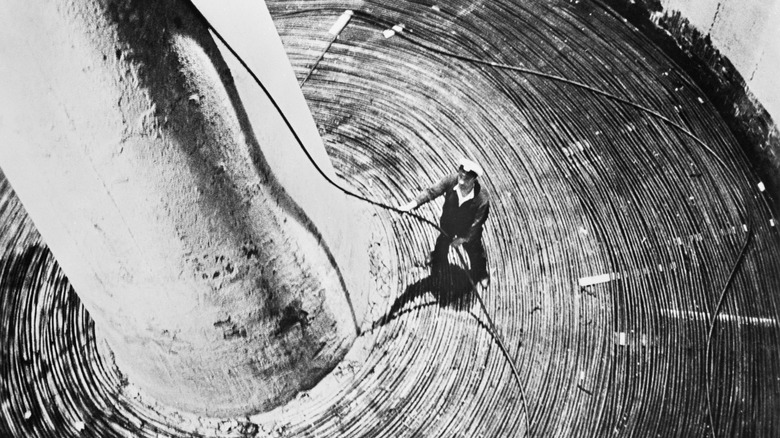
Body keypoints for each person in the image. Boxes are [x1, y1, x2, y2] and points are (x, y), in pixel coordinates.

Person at [399, 158, 491, 288]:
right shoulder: (451, 180)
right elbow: (431, 192)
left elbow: (477, 223)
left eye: (467, 178)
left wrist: (463, 239)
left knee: (475, 251)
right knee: (442, 242)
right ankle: (436, 257)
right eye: (461, 174)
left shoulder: (482, 199)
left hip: (468, 230)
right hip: (448, 223)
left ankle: (481, 273)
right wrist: (410, 205)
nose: (462, 180)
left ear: (474, 179)